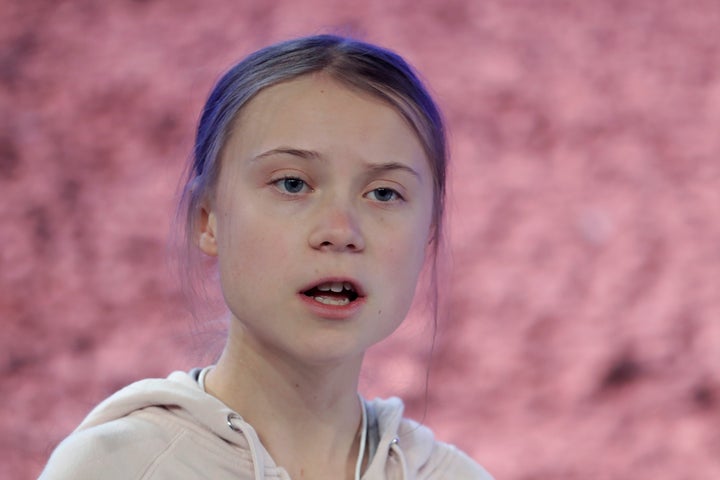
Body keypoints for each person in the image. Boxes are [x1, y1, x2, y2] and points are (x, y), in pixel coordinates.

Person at [40, 34, 493, 480]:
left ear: (428, 232)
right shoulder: (118, 467)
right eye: (292, 183)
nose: (341, 231)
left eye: (383, 192)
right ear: (207, 218)